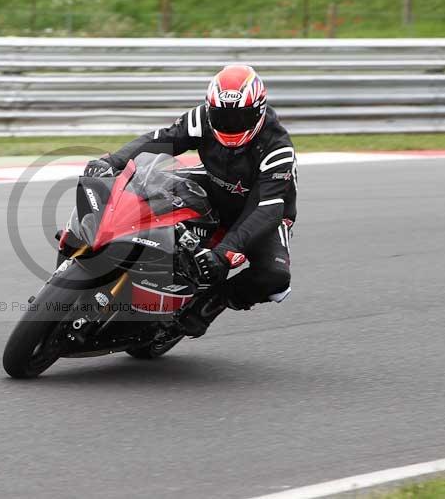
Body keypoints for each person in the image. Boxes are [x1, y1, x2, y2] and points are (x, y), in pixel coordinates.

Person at [83, 65, 297, 336]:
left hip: (262, 209)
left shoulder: (277, 147)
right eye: (222, 117)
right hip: (215, 184)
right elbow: (162, 139)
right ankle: (104, 244)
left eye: (239, 118)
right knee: (147, 187)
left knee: (275, 276)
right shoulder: (202, 118)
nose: (230, 126)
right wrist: (113, 161)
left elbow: (268, 208)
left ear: (259, 111)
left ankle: (213, 301)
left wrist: (223, 254)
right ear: (210, 109)